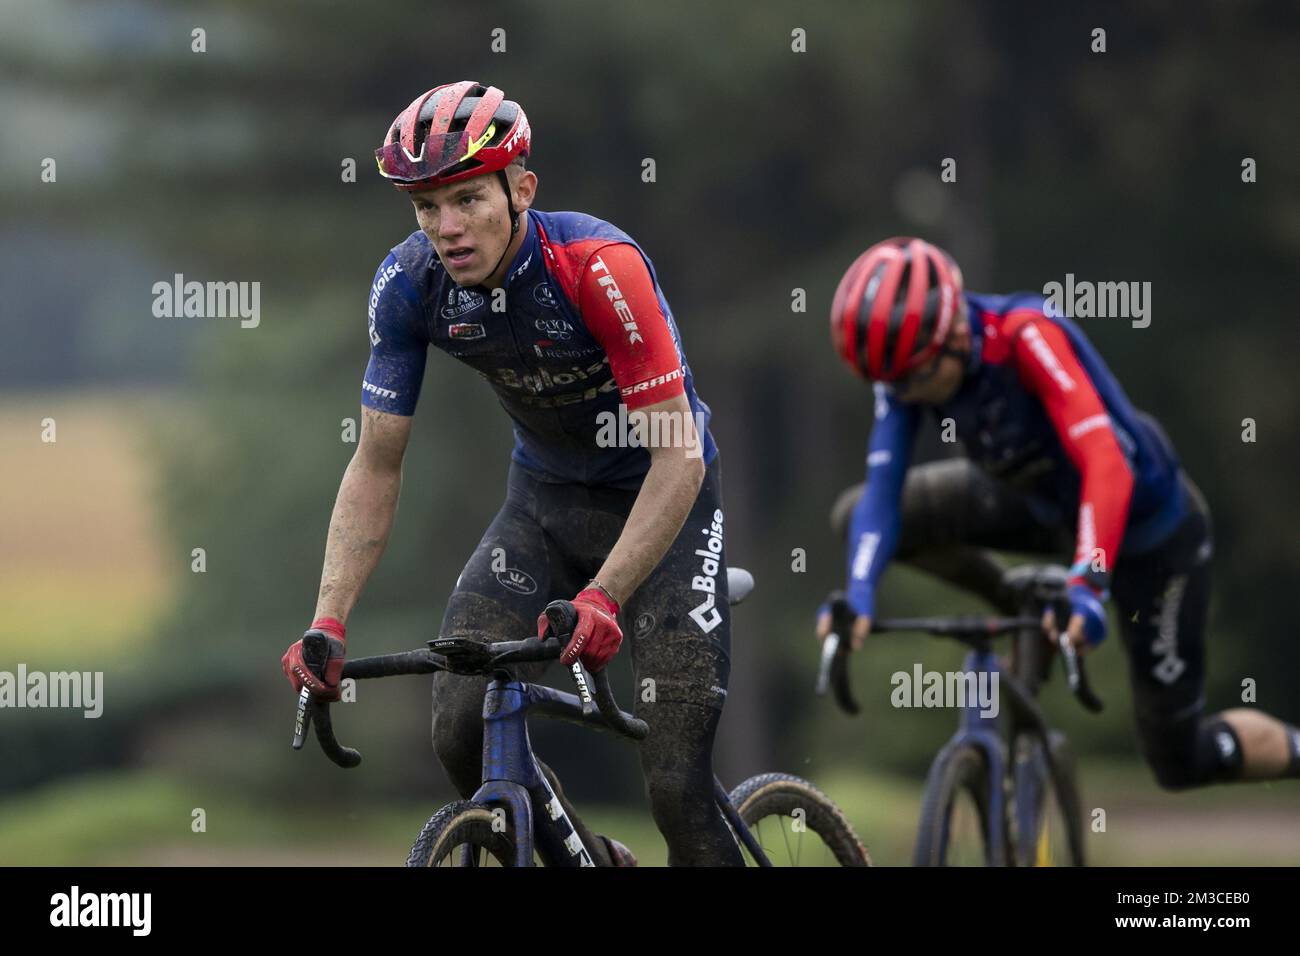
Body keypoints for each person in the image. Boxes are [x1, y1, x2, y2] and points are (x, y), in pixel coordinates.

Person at [282, 81, 744, 865]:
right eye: (426, 207)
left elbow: (678, 456)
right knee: (460, 735)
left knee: (675, 785)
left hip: (663, 509)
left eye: (466, 199)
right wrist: (328, 618)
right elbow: (376, 463)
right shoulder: (408, 285)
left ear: (521, 189)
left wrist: (605, 595)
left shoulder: (599, 269)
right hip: (542, 508)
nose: (447, 229)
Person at [820, 236, 1300, 790]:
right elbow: (883, 492)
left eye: (914, 377)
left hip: (1148, 536)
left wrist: (1090, 582)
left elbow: (1107, 462)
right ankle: (1021, 602)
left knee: (1180, 760)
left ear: (952, 332)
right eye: (892, 383)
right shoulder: (908, 377)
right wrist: (859, 594)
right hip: (1040, 506)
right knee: (852, 513)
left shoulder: (1026, 336)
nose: (905, 393)